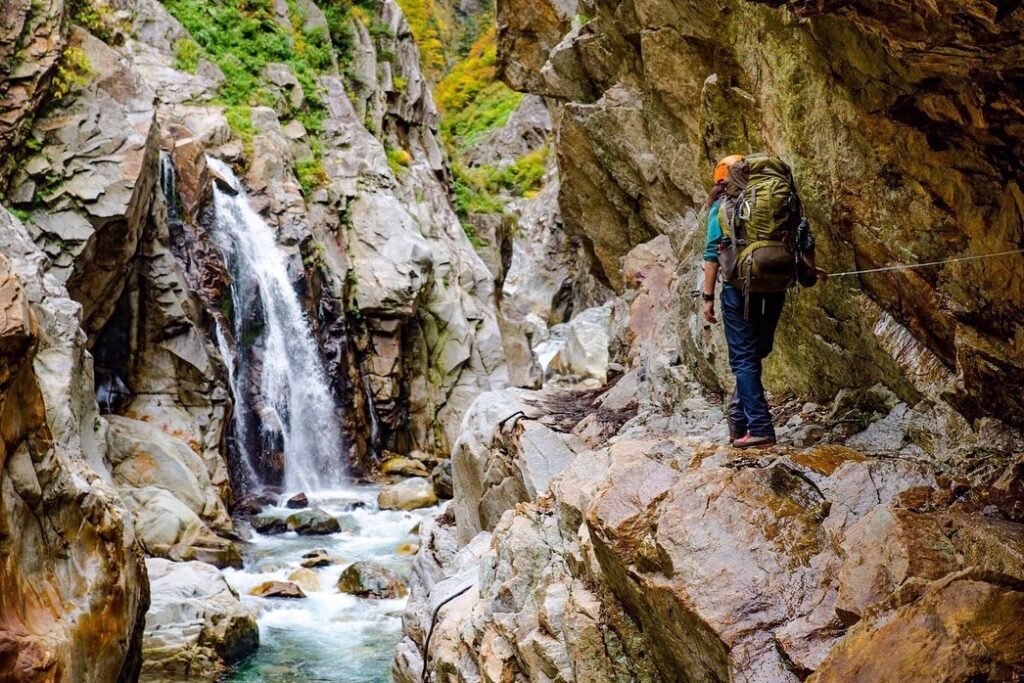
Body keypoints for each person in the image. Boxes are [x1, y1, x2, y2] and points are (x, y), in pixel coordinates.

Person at [700, 154, 825, 449]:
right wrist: (810, 266)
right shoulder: (778, 196)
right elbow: (803, 234)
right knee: (758, 349)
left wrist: (707, 297)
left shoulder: (724, 205)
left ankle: (758, 427)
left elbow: (711, 255)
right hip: (776, 281)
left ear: (722, 179)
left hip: (739, 287)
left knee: (744, 357)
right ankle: (739, 417)